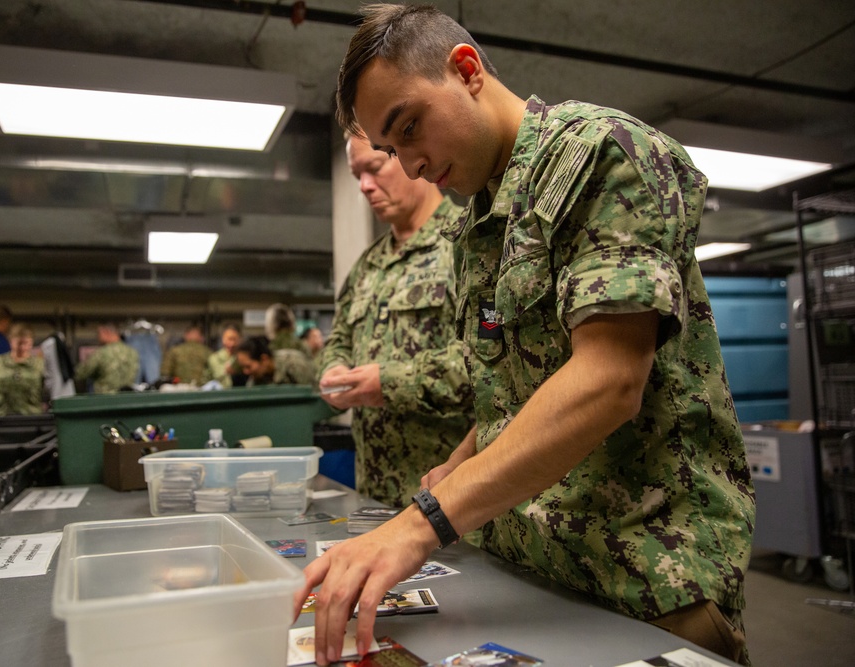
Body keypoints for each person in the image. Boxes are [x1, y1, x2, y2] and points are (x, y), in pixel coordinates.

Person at [297, 5, 755, 666]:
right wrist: (458, 463)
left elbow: (609, 379)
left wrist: (425, 518)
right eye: (393, 149)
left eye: (409, 127)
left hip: (649, 583)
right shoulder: (483, 222)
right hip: (544, 569)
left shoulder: (598, 152)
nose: (412, 163)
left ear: (466, 70)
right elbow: (519, 387)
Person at [317, 132, 473, 508]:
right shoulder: (368, 265)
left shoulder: (466, 242)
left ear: (403, 155)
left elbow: (489, 368)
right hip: (374, 493)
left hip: (450, 500)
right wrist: (334, 370)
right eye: (358, 176)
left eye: (374, 169)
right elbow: (339, 338)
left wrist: (388, 383)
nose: (366, 187)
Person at [73, 323, 139, 394]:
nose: (98, 337)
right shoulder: (132, 352)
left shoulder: (102, 353)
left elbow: (80, 373)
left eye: (99, 333)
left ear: (106, 332)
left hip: (103, 399)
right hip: (126, 397)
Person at [236, 335, 315, 387]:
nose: (245, 371)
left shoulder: (295, 363)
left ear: (264, 359)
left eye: (248, 366)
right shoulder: (255, 379)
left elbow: (314, 392)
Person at [207, 323, 243, 388]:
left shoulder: (242, 358)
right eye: (229, 339)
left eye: (235, 339)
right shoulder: (215, 358)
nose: (232, 344)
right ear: (223, 339)